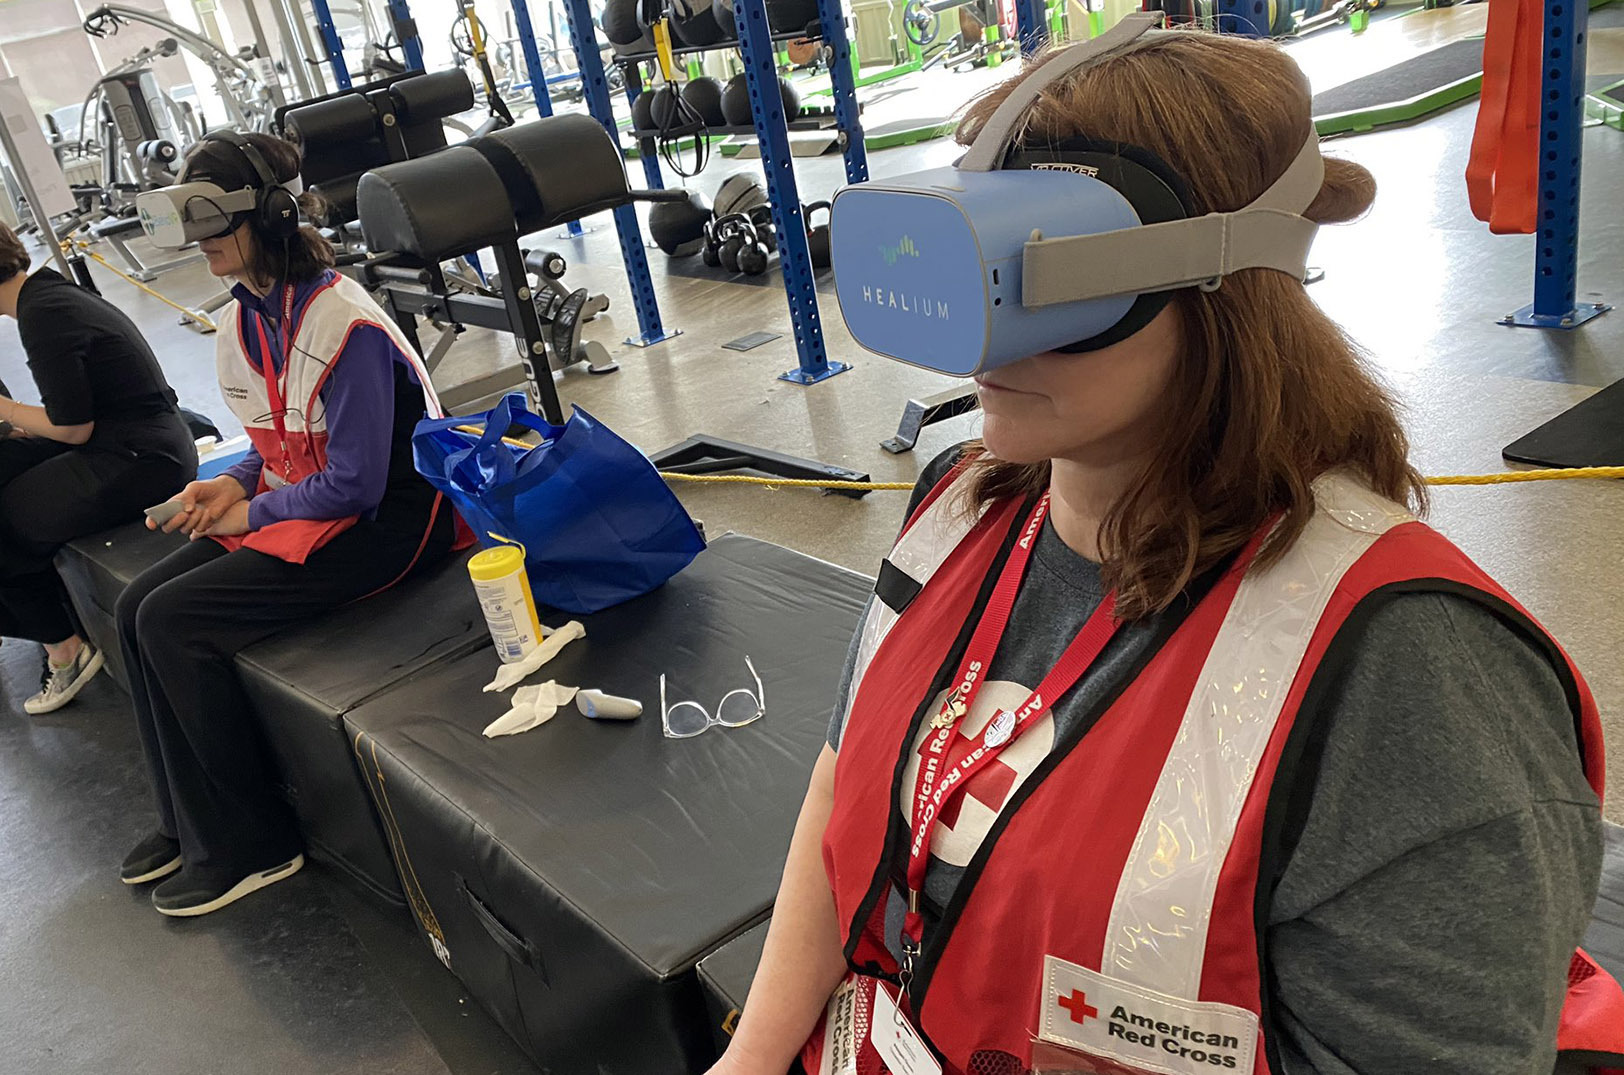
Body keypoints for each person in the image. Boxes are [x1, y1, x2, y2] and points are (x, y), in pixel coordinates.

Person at [710, 23, 1618, 1075]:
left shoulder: (1408, 673)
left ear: (1224, 284)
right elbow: (846, 780)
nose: (984, 337)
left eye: (1039, 273)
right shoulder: (956, 507)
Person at [114, 131, 460, 916]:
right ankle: (187, 817)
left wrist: (250, 508)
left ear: (267, 214)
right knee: (138, 606)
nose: (200, 241)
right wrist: (225, 484)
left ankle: (255, 845)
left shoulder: (346, 325)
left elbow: (357, 482)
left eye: (213, 220)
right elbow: (278, 439)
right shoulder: (248, 317)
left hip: (390, 529)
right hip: (310, 505)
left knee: (175, 620)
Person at [0, 223, 196, 714]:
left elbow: (72, 428)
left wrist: (7, 413)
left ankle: (63, 650)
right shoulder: (45, 295)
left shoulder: (42, 313)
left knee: (3, 520)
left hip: (141, 457)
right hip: (132, 438)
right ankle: (46, 621)